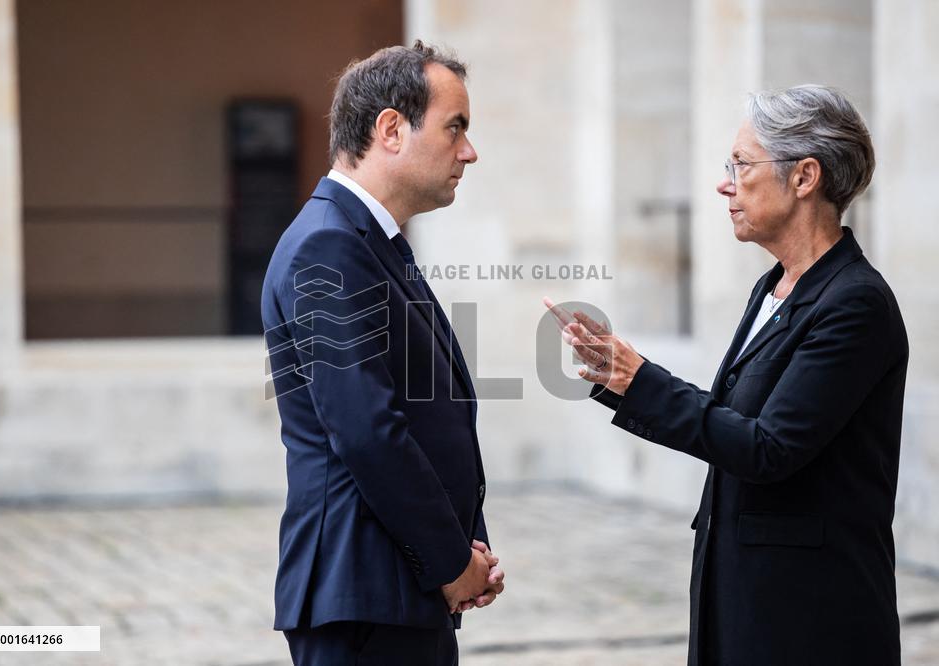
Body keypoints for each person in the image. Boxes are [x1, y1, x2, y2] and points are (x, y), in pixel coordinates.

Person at [548, 85, 907, 665]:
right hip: (741, 595)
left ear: (804, 176)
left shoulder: (855, 303)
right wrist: (625, 380)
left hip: (809, 616)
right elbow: (731, 421)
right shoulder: (773, 285)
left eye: (741, 165)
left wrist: (640, 380)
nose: (724, 183)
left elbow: (769, 447)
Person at [262, 41, 504, 665]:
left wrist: (464, 551)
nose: (469, 151)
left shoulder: (370, 241)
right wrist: (450, 562)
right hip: (364, 593)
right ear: (391, 129)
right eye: (455, 128)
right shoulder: (329, 245)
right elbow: (368, 430)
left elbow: (425, 417)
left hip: (395, 590)